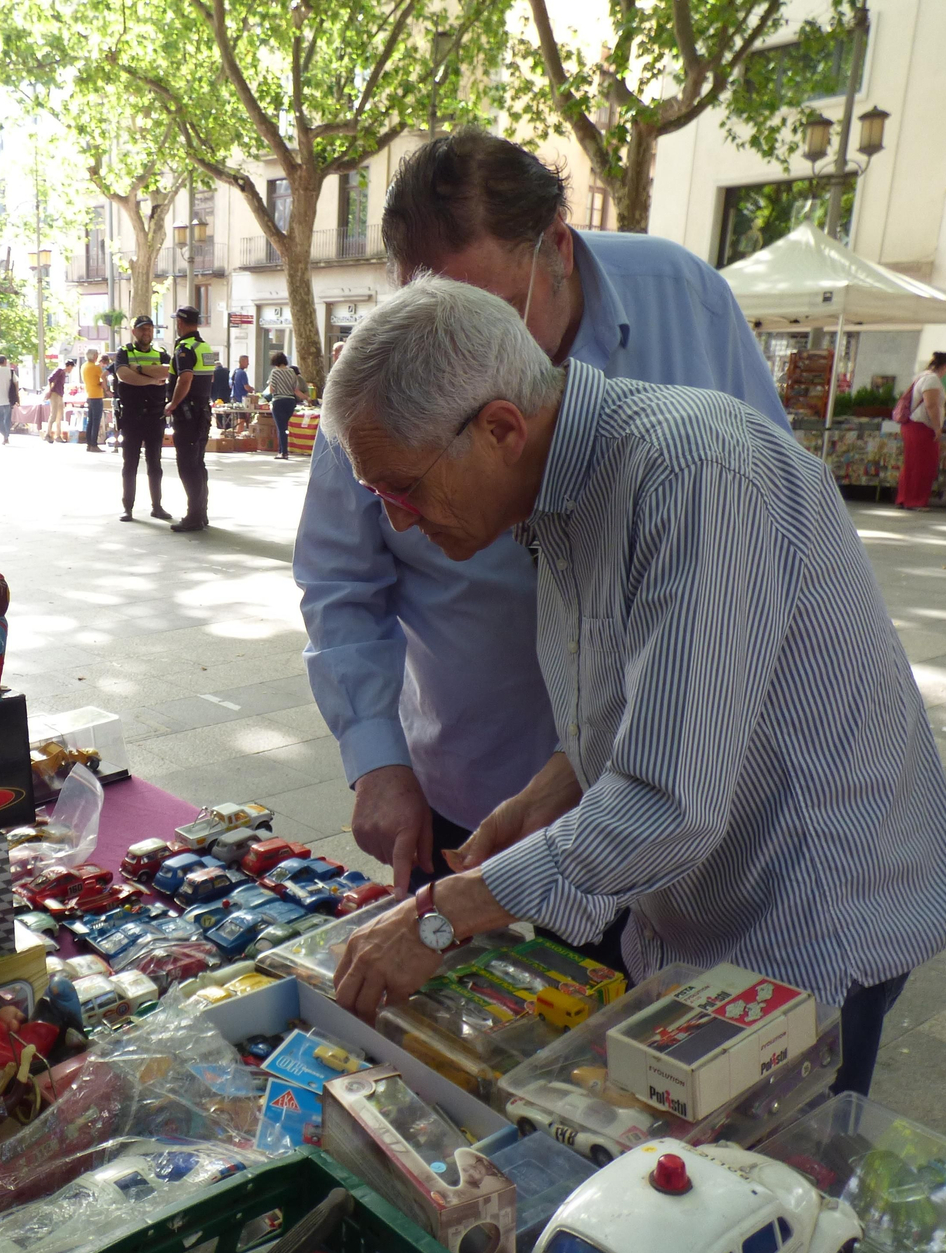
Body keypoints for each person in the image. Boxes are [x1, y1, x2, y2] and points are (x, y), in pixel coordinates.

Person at [321, 277, 946, 1098]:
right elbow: (657, 688)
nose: (398, 521)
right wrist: (552, 789)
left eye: (403, 488)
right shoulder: (561, 493)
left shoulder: (694, 474)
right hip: (704, 909)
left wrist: (444, 912)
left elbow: (670, 798)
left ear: (499, 429)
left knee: (767, 1190)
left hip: (806, 915)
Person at [296, 130, 791, 913]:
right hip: (481, 775)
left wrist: (455, 914)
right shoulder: (396, 361)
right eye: (428, 313)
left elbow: (672, 779)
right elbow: (339, 579)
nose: (460, 354)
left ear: (556, 248)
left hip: (686, 810)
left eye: (483, 314)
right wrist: (377, 758)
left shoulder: (691, 357)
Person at [114, 317, 172, 521]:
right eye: (142, 329)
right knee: (129, 463)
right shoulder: (124, 352)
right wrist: (152, 379)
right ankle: (127, 508)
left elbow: (167, 372)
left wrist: (137, 370)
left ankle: (157, 506)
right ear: (134, 332)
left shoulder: (162, 354)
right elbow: (123, 375)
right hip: (131, 415)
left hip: (155, 416)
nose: (146, 333)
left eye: (149, 329)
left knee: (154, 463)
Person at [167, 305, 216, 532]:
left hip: (188, 415)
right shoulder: (204, 347)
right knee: (198, 464)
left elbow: (185, 378)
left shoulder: (185, 348)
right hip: (203, 413)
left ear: (180, 323)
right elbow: (209, 378)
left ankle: (194, 516)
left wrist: (173, 403)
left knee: (187, 465)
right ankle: (201, 513)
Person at [895, 351, 946, 511]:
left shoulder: (921, 377)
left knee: (911, 463)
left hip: (913, 425)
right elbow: (931, 405)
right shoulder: (932, 380)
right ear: (945, 366)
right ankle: (916, 500)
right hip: (922, 426)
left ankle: (905, 497)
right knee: (923, 464)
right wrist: (937, 427)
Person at [266, 353, 302, 459]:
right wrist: (307, 398)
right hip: (290, 401)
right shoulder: (292, 372)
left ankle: (283, 452)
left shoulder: (275, 372)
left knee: (281, 428)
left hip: (278, 401)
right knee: (285, 427)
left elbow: (272, 389)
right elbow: (296, 389)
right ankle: (282, 450)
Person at [81, 348, 108, 453]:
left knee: (90, 420)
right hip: (96, 395)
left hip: (89, 394)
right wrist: (106, 389)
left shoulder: (84, 366)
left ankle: (89, 443)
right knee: (96, 421)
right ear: (94, 356)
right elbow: (103, 378)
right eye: (96, 355)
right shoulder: (95, 367)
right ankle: (94, 444)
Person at [46, 361, 68, 443]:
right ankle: (48, 434)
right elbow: (50, 379)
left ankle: (58, 435)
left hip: (59, 394)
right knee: (54, 414)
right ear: (69, 366)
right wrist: (49, 390)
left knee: (59, 415)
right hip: (55, 394)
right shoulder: (60, 370)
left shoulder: (63, 372)